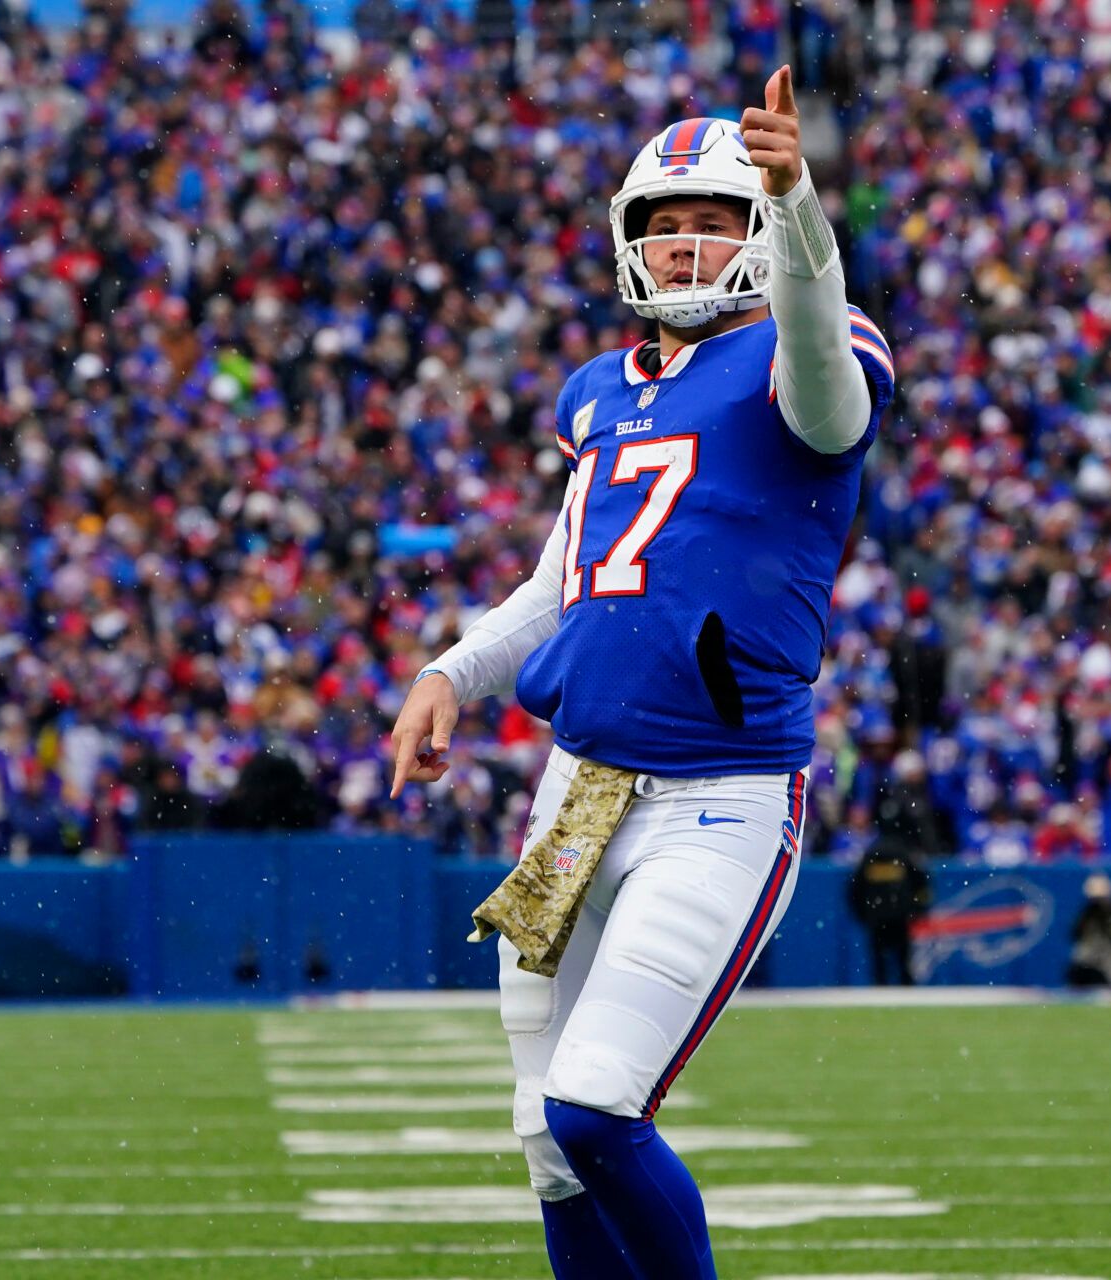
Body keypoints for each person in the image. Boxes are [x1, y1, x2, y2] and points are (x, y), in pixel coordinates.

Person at [388, 67, 893, 1280]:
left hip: (717, 795)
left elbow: (825, 391)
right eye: (665, 221)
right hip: (574, 791)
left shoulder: (805, 349)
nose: (685, 242)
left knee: (598, 1107)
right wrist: (451, 670)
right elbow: (567, 577)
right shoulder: (601, 393)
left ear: (763, 230)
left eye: (717, 217)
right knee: (545, 1134)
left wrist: (806, 213)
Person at [846, 834, 930, 986]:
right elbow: (921, 882)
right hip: (899, 915)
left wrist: (863, 914)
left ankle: (881, 989)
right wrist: (917, 909)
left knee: (879, 961)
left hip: (877, 915)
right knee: (903, 960)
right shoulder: (904, 854)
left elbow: (855, 889)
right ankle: (906, 988)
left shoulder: (871, 855)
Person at [1066, 872, 1111, 988]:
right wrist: (1088, 917)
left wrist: (1108, 922)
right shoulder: (1087, 914)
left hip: (1109, 965)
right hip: (1087, 963)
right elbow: (1075, 934)